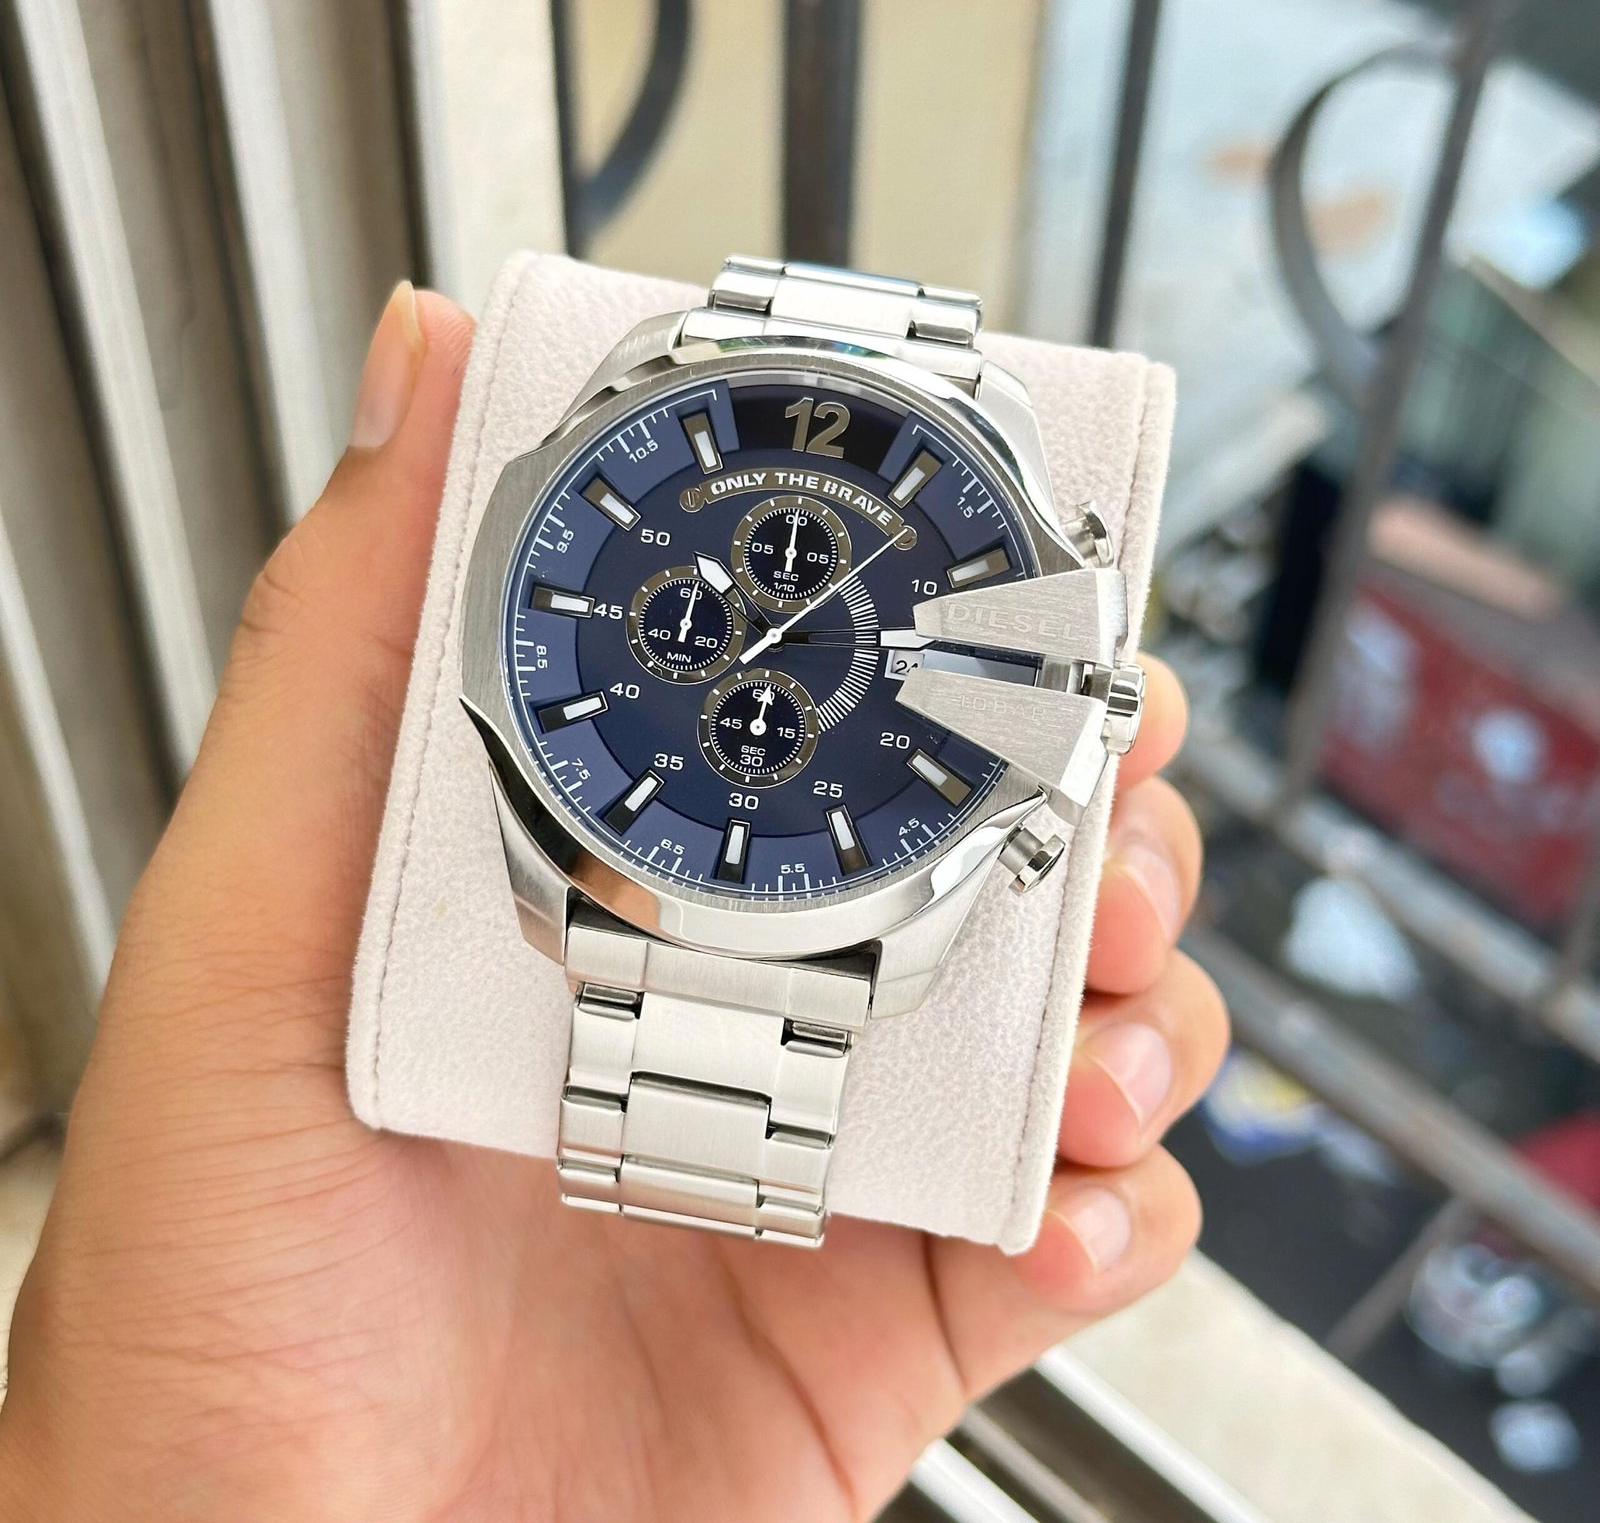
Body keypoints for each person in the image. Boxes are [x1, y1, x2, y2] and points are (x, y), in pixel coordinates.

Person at [0, 285, 1228, 1522]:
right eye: (748, 612)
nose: (763, 646)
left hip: (802, 900)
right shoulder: (643, 427)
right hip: (610, 874)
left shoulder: (1005, 642)